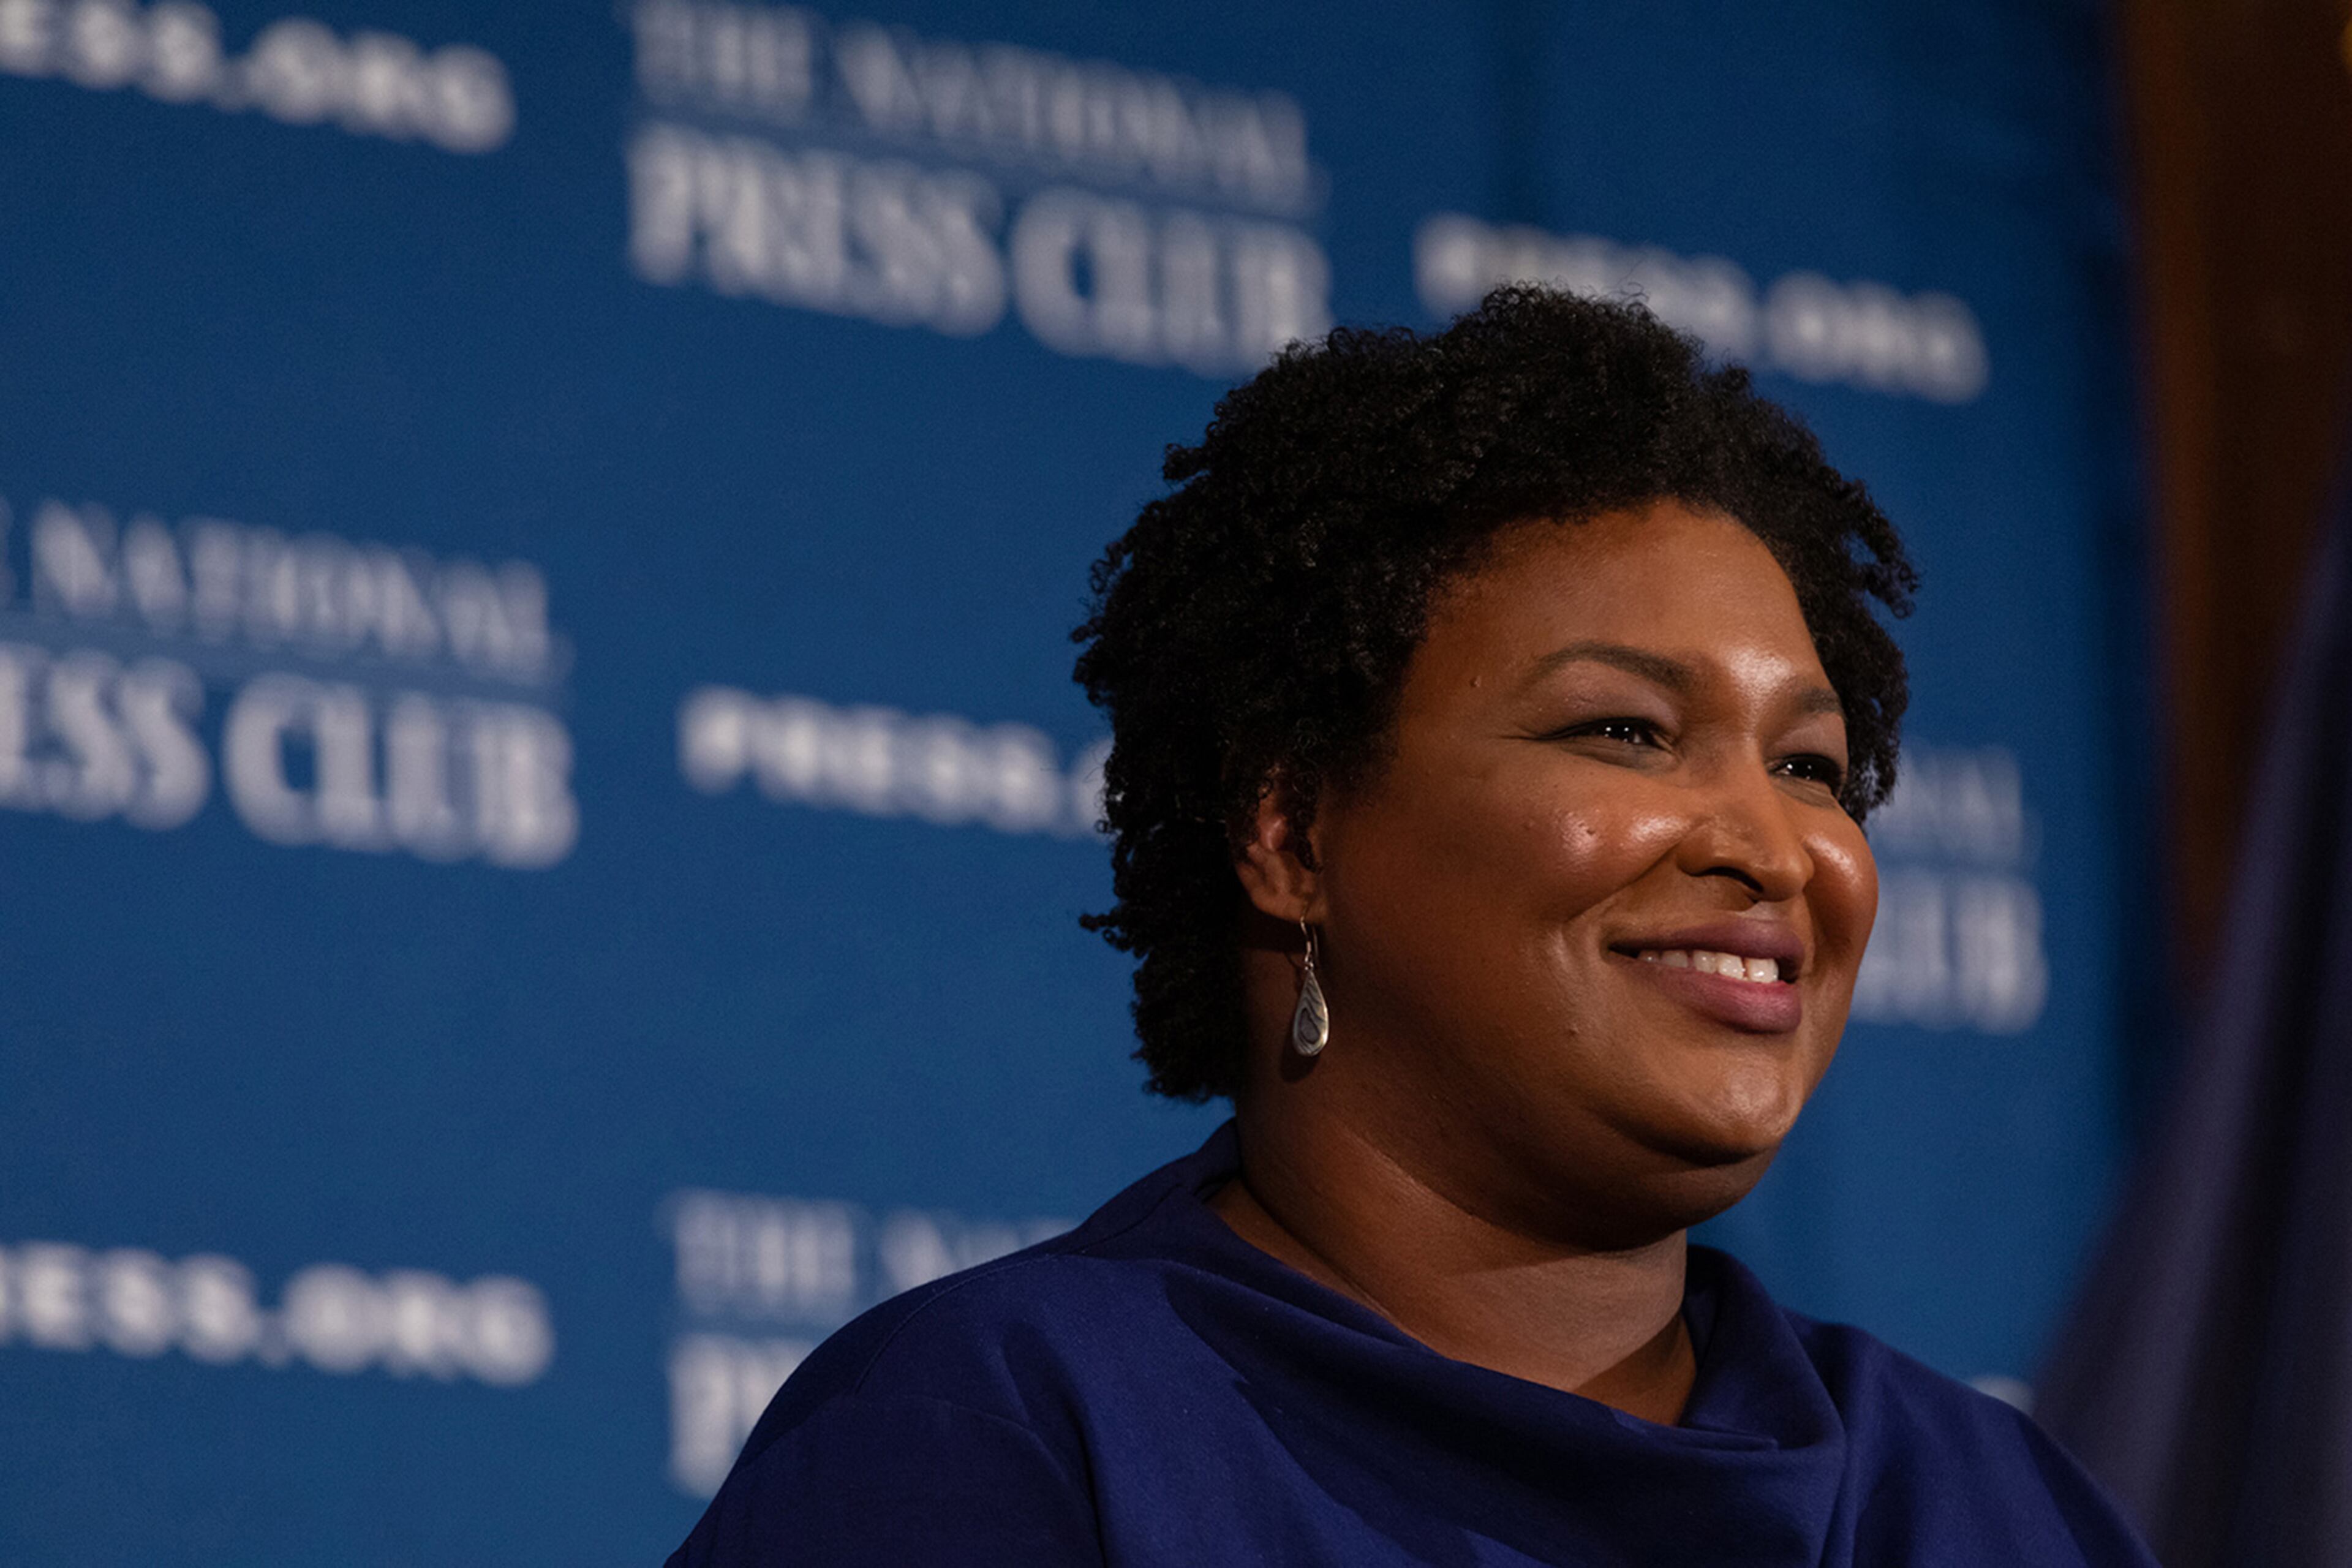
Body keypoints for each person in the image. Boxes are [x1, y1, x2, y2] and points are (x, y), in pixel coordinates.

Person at [666, 287, 2157, 1566]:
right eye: (1627, 732)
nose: (1770, 844)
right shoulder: (1001, 1438)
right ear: (1293, 834)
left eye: (1810, 764)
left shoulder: (1988, 1506)